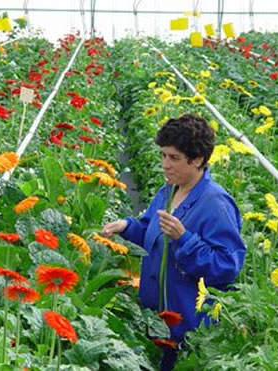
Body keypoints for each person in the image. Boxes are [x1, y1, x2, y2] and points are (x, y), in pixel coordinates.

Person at [102, 114, 245, 370]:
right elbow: (151, 233)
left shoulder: (215, 203)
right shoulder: (169, 190)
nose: (165, 165)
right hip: (157, 323)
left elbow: (228, 265)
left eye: (174, 158)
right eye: (163, 155)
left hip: (188, 332)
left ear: (198, 159)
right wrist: (128, 227)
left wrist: (185, 240)